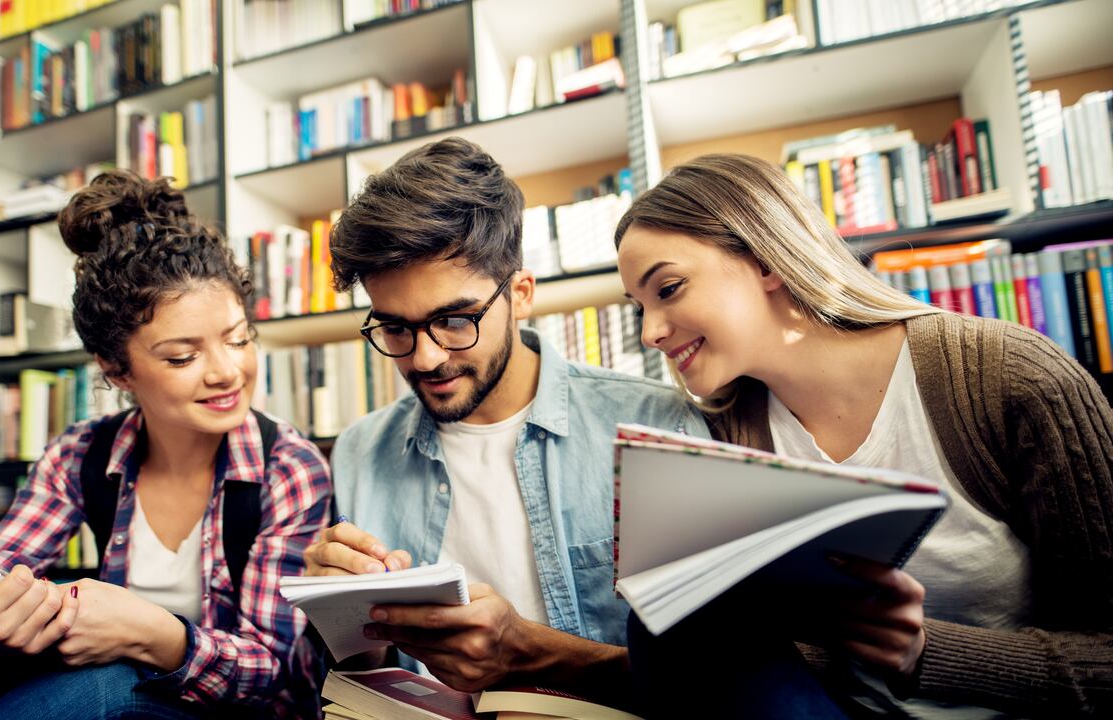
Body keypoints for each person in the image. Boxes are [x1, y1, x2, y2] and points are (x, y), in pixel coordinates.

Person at [615, 153, 1113, 718]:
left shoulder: (1010, 379)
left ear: (766, 261)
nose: (651, 333)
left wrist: (926, 653)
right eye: (638, 309)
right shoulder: (726, 431)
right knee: (669, 622)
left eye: (670, 289)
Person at [0, 171, 333, 719]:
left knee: (102, 686)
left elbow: (279, 676)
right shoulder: (79, 454)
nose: (227, 372)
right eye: (182, 357)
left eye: (239, 338)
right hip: (123, 700)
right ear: (117, 370)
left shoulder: (288, 467)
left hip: (236, 711)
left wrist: (152, 634)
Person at [301, 137, 708, 698]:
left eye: (455, 319)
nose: (425, 357)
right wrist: (347, 623)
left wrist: (534, 655)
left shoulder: (656, 429)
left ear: (520, 294)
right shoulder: (359, 452)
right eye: (394, 327)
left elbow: (718, 681)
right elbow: (366, 676)